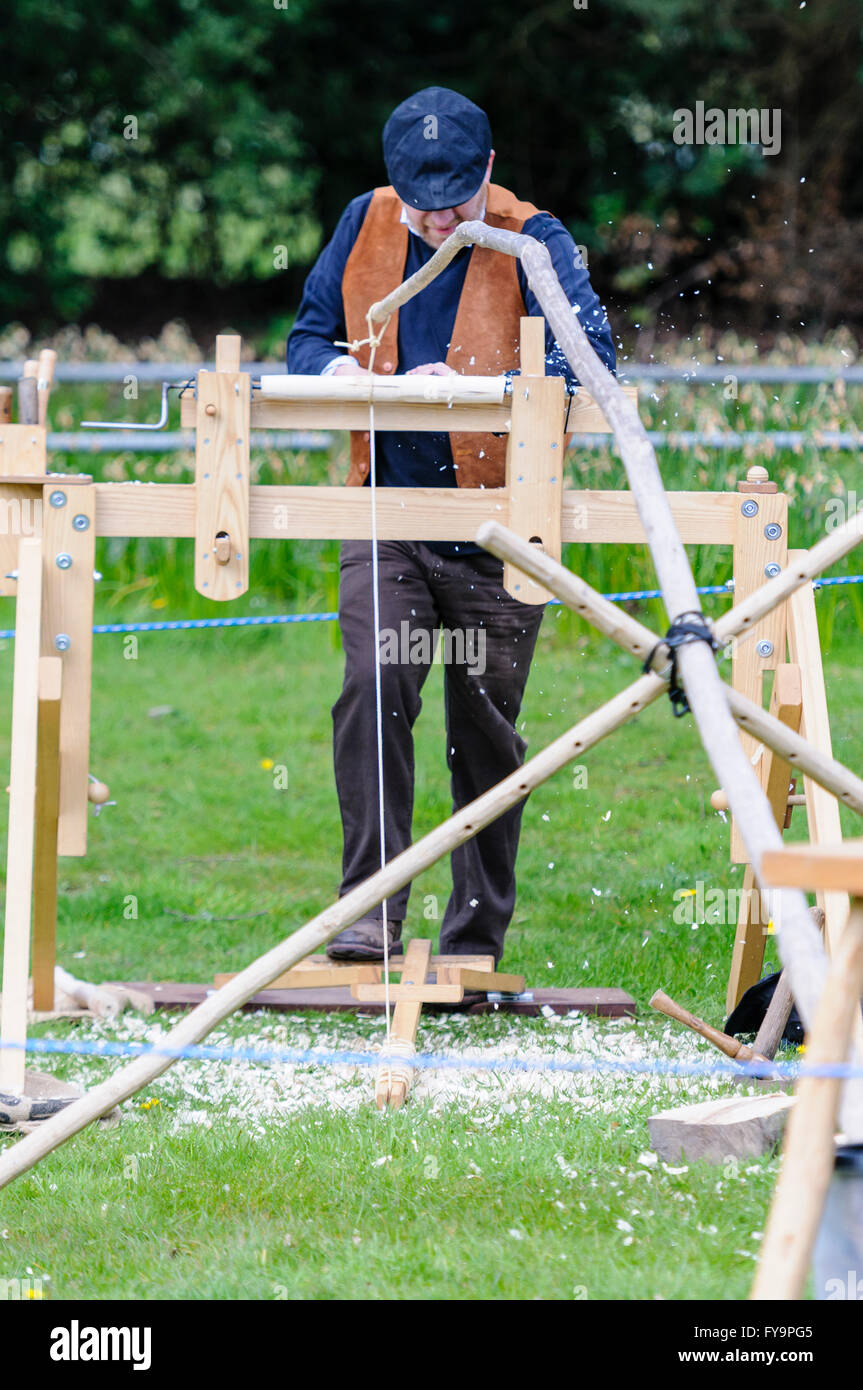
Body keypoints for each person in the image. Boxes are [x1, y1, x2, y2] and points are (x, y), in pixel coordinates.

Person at [287, 87, 615, 965]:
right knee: (372, 691)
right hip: (384, 511)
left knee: (484, 729)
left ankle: (472, 938)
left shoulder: (535, 238)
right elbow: (307, 342)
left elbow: (587, 364)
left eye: (456, 204)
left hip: (501, 525)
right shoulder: (364, 222)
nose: (437, 221)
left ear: (489, 172)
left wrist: (477, 388)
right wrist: (374, 383)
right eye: (422, 205)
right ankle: (368, 914)